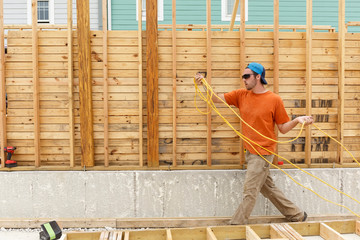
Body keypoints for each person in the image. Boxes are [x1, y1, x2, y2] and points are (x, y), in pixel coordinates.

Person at [195, 62, 314, 225]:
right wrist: (203, 85)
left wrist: (297, 120)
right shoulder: (241, 95)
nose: (244, 79)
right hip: (250, 152)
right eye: (243, 76)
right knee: (268, 189)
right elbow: (215, 99)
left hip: (263, 153)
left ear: (258, 77)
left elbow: (283, 128)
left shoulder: (274, 100)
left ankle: (236, 224)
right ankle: (297, 215)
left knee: (250, 191)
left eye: (247, 76)